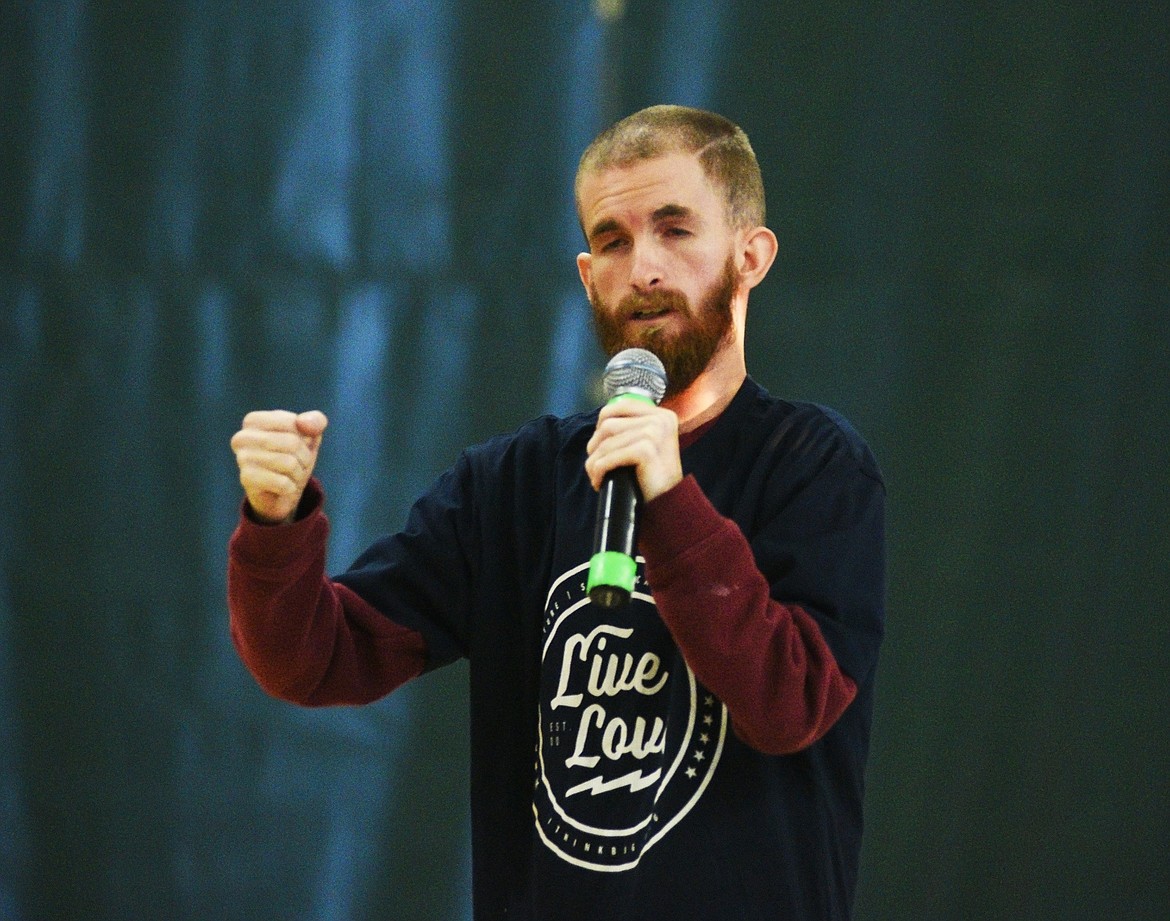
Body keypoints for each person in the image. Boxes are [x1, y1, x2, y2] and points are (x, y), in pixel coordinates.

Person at [228, 104, 885, 920]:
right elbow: (316, 658)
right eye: (613, 240)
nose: (643, 267)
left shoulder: (814, 464)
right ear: (586, 274)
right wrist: (275, 526)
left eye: (674, 230)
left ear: (750, 256)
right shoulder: (513, 484)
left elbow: (788, 705)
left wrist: (671, 502)